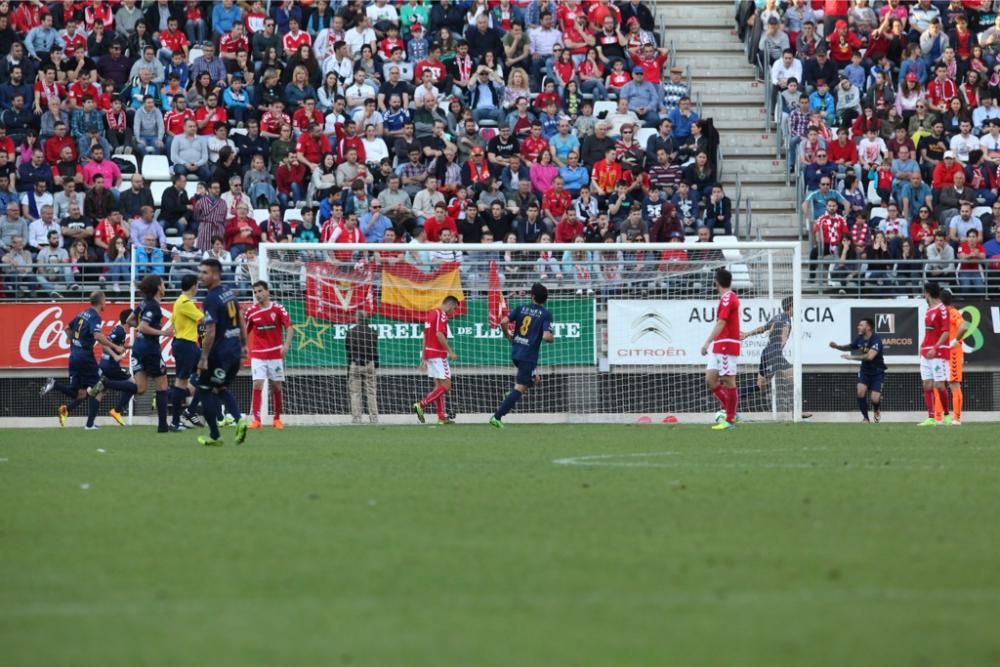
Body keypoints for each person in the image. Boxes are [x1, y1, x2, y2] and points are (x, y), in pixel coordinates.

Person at [40, 291, 123, 429]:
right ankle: (90, 425)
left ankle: (55, 385)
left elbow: (67, 328)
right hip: (85, 357)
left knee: (78, 393)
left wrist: (73, 343)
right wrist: (115, 347)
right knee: (100, 386)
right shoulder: (95, 316)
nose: (106, 303)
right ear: (101, 301)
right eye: (105, 300)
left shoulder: (81, 314)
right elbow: (97, 336)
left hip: (74, 356)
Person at [195, 258, 249, 446]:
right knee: (221, 388)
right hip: (234, 350)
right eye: (200, 272)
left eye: (205, 273)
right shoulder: (228, 292)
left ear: (216, 275)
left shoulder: (210, 299)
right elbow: (241, 319)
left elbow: (211, 331)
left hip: (219, 354)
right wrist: (244, 345)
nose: (200, 276)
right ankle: (239, 419)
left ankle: (215, 435)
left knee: (204, 390)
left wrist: (204, 357)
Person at [490, 282, 555, 429]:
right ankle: (497, 416)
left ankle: (512, 395)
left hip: (516, 352)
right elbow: (546, 336)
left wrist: (508, 336)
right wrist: (552, 338)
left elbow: (504, 321)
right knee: (521, 387)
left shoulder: (521, 308)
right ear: (545, 299)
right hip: (528, 356)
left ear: (532, 296)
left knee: (534, 379)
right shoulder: (546, 314)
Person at [245, 280, 293, 429]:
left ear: (267, 292)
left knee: (276, 386)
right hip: (258, 354)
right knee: (258, 384)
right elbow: (244, 331)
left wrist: (286, 345)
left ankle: (277, 419)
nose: (258, 294)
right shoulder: (251, 312)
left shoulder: (278, 309)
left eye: (260, 291)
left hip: (275, 355)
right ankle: (257, 420)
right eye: (255, 292)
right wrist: (242, 347)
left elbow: (290, 328)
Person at [131, 274, 173, 433]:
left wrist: (145, 326)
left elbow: (130, 320)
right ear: (157, 288)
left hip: (138, 346)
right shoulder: (153, 306)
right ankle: (163, 426)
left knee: (140, 388)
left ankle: (108, 383)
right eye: (163, 284)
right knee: (162, 385)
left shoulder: (143, 303)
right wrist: (163, 332)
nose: (165, 286)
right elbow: (142, 326)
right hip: (150, 348)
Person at [740, 296, 794, 414]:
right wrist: (782, 343)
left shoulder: (777, 317)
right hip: (774, 353)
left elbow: (763, 328)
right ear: (790, 307)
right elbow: (785, 331)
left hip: (766, 353)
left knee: (761, 386)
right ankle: (798, 412)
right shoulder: (786, 319)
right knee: (793, 378)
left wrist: (747, 334)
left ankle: (734, 396)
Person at [701, 268, 740, 430]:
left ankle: (730, 419)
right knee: (710, 380)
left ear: (716, 281)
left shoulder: (727, 298)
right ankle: (731, 412)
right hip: (720, 344)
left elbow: (722, 322)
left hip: (726, 343)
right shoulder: (725, 298)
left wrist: (707, 342)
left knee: (728, 380)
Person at [413, 295, 460, 425]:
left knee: (438, 387)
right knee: (446, 386)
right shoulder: (441, 314)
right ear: (450, 305)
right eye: (454, 309)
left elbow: (425, 336)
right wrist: (450, 351)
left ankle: (441, 416)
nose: (453, 312)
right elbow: (439, 334)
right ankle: (421, 405)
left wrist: (423, 357)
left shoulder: (431, 314)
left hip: (429, 354)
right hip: (438, 354)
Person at [829, 318, 887, 424]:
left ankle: (877, 409)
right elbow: (850, 347)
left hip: (877, 372)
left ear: (868, 327)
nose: (858, 327)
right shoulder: (860, 339)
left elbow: (870, 356)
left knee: (874, 398)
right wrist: (837, 347)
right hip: (865, 371)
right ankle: (866, 418)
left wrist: (852, 358)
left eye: (861, 325)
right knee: (860, 391)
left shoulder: (876, 340)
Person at [168, 274, 204, 431]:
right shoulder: (185, 302)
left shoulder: (180, 302)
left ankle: (190, 411)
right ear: (194, 286)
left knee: (206, 375)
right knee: (181, 382)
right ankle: (175, 422)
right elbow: (203, 319)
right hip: (185, 344)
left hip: (188, 344)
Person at [94, 308, 138, 427]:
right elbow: (104, 344)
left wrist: (131, 347)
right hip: (111, 366)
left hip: (107, 365)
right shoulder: (119, 331)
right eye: (134, 317)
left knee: (98, 393)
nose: (137, 319)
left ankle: (89, 423)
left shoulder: (121, 331)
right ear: (129, 320)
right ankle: (117, 410)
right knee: (134, 386)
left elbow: (118, 345)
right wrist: (115, 354)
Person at [917, 282, 951, 427]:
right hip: (926, 351)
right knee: (927, 385)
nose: (924, 295)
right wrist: (923, 345)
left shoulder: (942, 309)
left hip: (937, 352)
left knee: (939, 384)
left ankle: (946, 416)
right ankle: (931, 418)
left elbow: (946, 332)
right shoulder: (928, 309)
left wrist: (935, 348)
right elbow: (929, 331)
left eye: (924, 292)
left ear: (928, 293)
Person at [937, 289, 969, 426]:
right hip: (942, 353)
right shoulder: (940, 314)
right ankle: (939, 418)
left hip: (953, 354)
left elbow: (963, 327)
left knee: (954, 384)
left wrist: (955, 341)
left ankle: (956, 418)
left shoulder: (953, 313)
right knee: (938, 383)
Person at [345, 310, 380, 425]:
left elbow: (348, 351)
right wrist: (376, 364)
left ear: (357, 319)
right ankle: (374, 418)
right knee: (371, 392)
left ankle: (356, 418)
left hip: (355, 364)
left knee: (355, 393)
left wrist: (349, 367)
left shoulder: (351, 332)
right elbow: (375, 351)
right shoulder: (373, 332)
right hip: (369, 364)